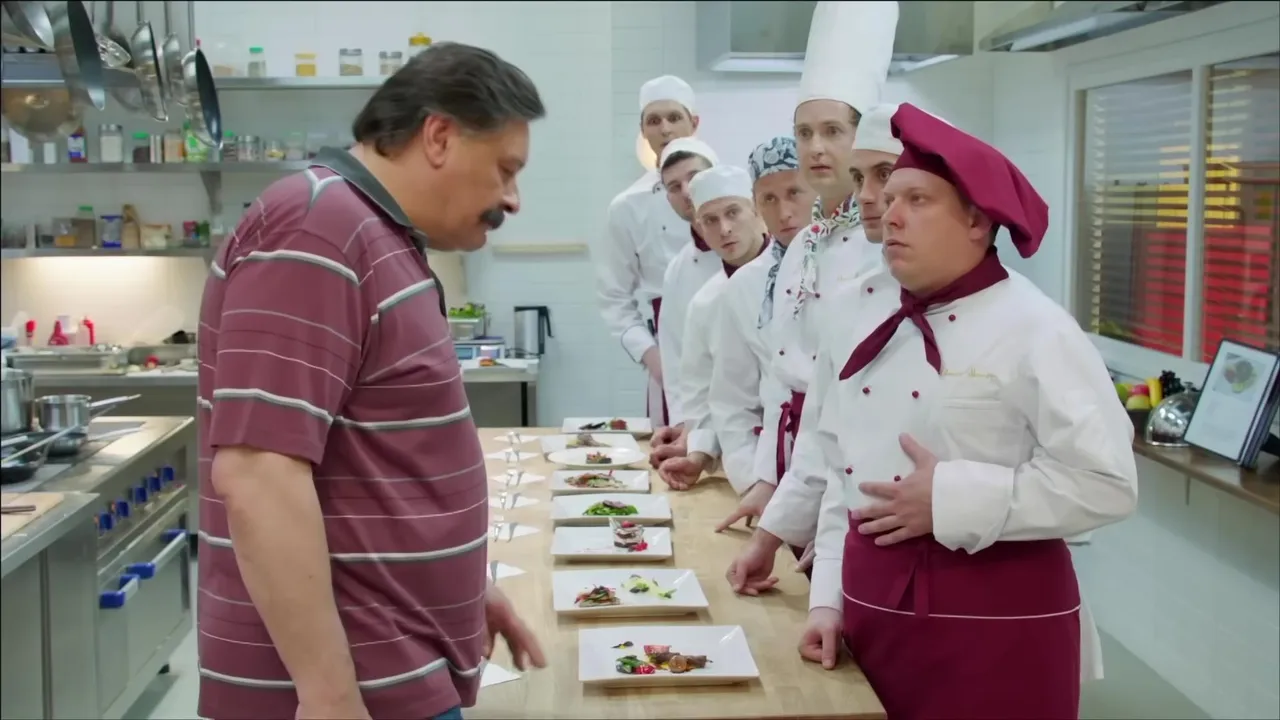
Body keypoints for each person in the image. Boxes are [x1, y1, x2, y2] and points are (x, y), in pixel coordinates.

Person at [195, 43, 547, 720]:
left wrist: (459, 586)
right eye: (505, 170)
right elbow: (261, 477)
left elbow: (375, 462)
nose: (512, 198)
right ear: (438, 136)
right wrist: (329, 695)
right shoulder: (316, 229)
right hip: (359, 686)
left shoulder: (375, 234)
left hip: (395, 660)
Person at [798, 102, 1138, 719]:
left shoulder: (1036, 329)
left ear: (978, 219)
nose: (889, 214)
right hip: (871, 614)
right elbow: (838, 473)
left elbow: (1107, 484)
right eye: (888, 197)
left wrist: (951, 498)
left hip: (998, 627)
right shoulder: (857, 317)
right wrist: (827, 598)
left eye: (917, 200)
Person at [725, 0, 900, 590]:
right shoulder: (802, 244)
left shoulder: (885, 247)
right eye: (805, 133)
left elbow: (855, 411)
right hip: (799, 464)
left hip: (858, 481)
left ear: (862, 138)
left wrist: (823, 534)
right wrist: (769, 491)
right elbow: (784, 383)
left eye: (833, 131)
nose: (816, 147)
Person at [706, 137, 816, 520]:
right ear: (756, 206)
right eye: (769, 199)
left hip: (846, 470)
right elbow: (732, 399)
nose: (784, 212)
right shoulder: (744, 285)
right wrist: (754, 481)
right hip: (776, 466)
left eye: (794, 193)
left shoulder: (857, 269)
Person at [593, 75, 701, 430]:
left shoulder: (733, 191)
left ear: (694, 123)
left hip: (735, 343)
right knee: (676, 448)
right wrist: (651, 356)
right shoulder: (627, 206)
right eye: (654, 120)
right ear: (643, 131)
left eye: (674, 117)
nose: (665, 128)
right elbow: (613, 298)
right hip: (669, 348)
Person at [655, 165, 772, 490]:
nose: (724, 229)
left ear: (755, 211)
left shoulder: (798, 276)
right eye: (710, 220)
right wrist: (698, 456)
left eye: (733, 213)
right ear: (699, 229)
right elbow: (701, 392)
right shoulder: (706, 303)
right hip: (745, 459)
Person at [651, 137, 722, 464]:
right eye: (674, 187)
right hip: (706, 429)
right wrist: (685, 426)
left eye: (694, 178)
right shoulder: (678, 271)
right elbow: (676, 356)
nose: (687, 192)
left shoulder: (766, 250)